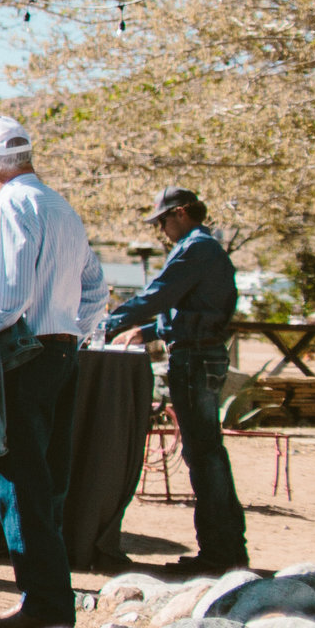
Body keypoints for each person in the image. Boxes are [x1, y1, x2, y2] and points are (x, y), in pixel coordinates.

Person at [0, 116, 107, 628]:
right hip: (62, 350)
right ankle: (50, 597)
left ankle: (43, 602)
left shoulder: (9, 207)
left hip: (22, 352)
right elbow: (96, 284)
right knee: (47, 478)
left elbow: (7, 295)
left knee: (18, 475)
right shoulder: (59, 206)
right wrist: (73, 330)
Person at [104, 187, 245, 575]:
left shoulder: (194, 248)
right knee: (207, 452)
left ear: (181, 213)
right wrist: (145, 333)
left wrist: (111, 321)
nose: (162, 230)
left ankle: (220, 553)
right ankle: (227, 548)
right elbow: (186, 308)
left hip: (196, 358)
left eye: (163, 221)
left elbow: (159, 295)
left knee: (203, 454)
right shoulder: (206, 248)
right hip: (201, 353)